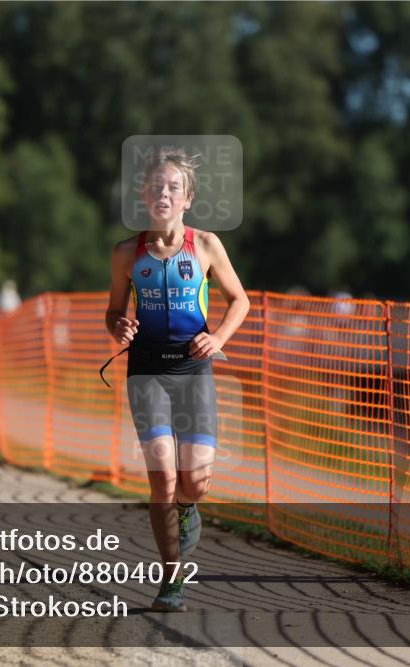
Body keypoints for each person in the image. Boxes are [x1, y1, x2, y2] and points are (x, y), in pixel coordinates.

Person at [104, 148, 249, 612]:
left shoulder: (205, 245)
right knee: (163, 478)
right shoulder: (127, 253)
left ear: (187, 198)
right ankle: (171, 581)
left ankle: (189, 511)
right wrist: (118, 326)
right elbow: (113, 311)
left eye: (173, 188)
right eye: (156, 187)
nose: (163, 194)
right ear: (144, 195)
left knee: (195, 483)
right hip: (146, 370)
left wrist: (218, 336)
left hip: (193, 371)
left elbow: (239, 300)